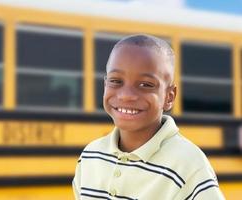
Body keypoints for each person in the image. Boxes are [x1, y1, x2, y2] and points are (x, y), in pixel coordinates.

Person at [72, 34, 225, 200]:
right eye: (116, 81)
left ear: (169, 97)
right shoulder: (90, 156)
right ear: (105, 85)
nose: (126, 96)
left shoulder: (188, 164)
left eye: (146, 85)